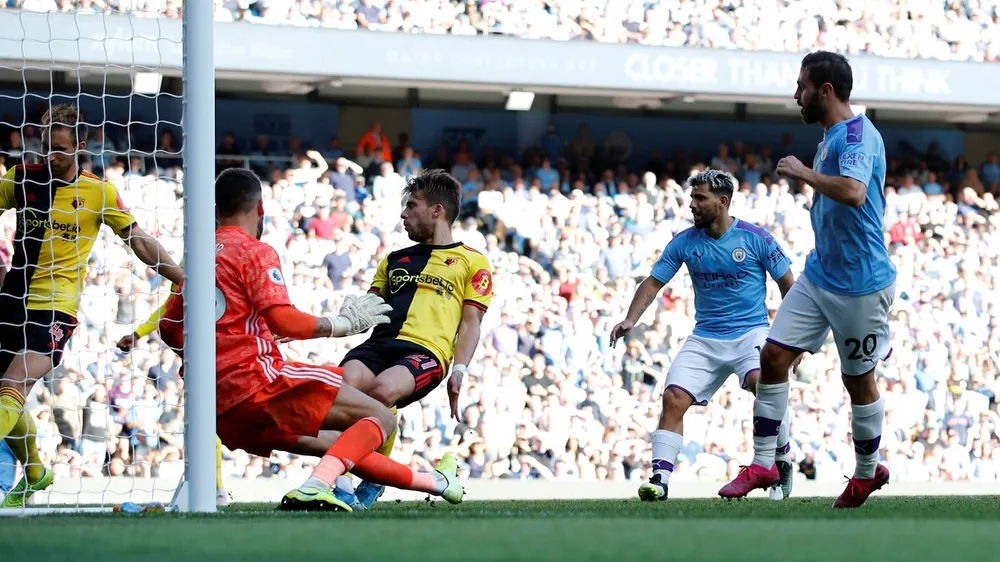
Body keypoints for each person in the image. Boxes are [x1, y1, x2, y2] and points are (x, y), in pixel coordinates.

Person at [158, 167, 464, 512]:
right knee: (382, 417)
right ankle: (316, 485)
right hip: (258, 384)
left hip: (215, 407)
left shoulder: (198, 258)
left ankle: (438, 482)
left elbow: (169, 329)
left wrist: (238, 336)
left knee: (339, 445)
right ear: (260, 208)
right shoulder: (255, 251)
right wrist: (340, 324)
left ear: (216, 211)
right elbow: (284, 319)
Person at [718, 51, 895, 509]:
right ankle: (764, 463)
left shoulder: (857, 135)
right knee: (773, 357)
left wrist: (803, 173)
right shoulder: (832, 135)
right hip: (820, 275)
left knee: (858, 381)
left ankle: (864, 474)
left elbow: (854, 193)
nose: (796, 94)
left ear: (826, 91)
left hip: (861, 285)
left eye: (802, 86)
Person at [0, 104, 183, 508]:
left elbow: (138, 239)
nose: (51, 155)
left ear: (80, 146)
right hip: (11, 300)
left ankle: (32, 473)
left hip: (56, 308)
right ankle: (34, 473)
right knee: (5, 389)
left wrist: (182, 278)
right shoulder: (21, 179)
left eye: (61, 148)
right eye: (46, 146)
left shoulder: (98, 192)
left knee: (13, 383)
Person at [610, 169, 796, 501]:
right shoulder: (684, 241)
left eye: (700, 198)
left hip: (749, 332)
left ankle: (779, 458)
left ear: (722, 202)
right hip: (705, 336)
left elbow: (789, 287)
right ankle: (659, 479)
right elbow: (653, 283)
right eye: (692, 198)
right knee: (673, 398)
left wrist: (790, 342)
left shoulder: (757, 239)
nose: (692, 205)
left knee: (761, 383)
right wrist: (630, 319)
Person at [336, 169, 494, 510]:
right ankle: (340, 480)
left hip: (425, 351)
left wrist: (460, 370)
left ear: (437, 211)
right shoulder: (394, 260)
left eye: (412, 205)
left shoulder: (473, 261)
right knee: (341, 391)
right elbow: (367, 312)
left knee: (381, 392)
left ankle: (372, 478)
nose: (403, 213)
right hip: (378, 344)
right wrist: (342, 317)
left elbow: (471, 323)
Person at [115, 266, 232, 507]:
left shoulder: (234, 257)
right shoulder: (193, 257)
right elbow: (171, 306)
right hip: (202, 355)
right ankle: (217, 489)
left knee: (212, 425)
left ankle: (217, 488)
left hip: (228, 351)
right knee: (206, 425)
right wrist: (138, 333)